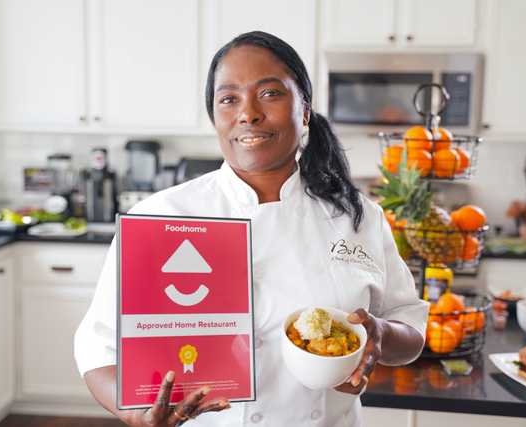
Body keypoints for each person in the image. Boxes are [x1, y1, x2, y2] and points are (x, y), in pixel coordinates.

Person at [75, 31, 428, 426]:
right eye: (228, 99)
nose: (248, 113)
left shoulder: (356, 215)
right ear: (215, 117)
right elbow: (98, 349)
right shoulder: (161, 216)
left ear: (305, 109)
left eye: (270, 93)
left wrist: (378, 336)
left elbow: (409, 327)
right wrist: (137, 414)